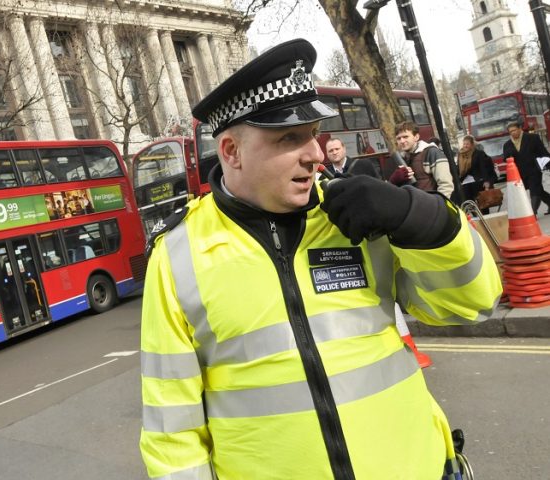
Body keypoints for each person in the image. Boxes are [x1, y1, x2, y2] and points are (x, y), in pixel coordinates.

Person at [139, 39, 502, 480]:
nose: (314, 153)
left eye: (313, 133)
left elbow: (473, 303)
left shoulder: (355, 213)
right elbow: (172, 429)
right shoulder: (178, 253)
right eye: (289, 137)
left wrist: (423, 219)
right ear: (232, 151)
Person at [394, 122, 455, 198]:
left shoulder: (432, 153)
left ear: (416, 137)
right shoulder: (402, 158)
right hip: (416, 206)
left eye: (405, 137)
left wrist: (438, 205)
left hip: (432, 206)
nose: (402, 141)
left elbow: (446, 185)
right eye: (398, 138)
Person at [502, 121, 550, 215]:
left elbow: (543, 152)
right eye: (510, 131)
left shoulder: (533, 138)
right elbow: (505, 159)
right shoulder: (507, 144)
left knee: (534, 189)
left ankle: (533, 213)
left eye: (514, 130)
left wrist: (547, 163)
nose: (512, 133)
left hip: (534, 170)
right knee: (538, 190)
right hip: (519, 172)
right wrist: (509, 156)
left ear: (520, 129)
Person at [458, 135, 498, 210]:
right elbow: (459, 169)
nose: (465, 146)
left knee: (482, 202)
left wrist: (486, 181)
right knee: (468, 203)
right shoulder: (460, 155)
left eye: (467, 144)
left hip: (478, 180)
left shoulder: (479, 154)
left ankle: (485, 216)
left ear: (472, 145)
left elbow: (483, 168)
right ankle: (476, 216)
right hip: (465, 182)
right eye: (464, 144)